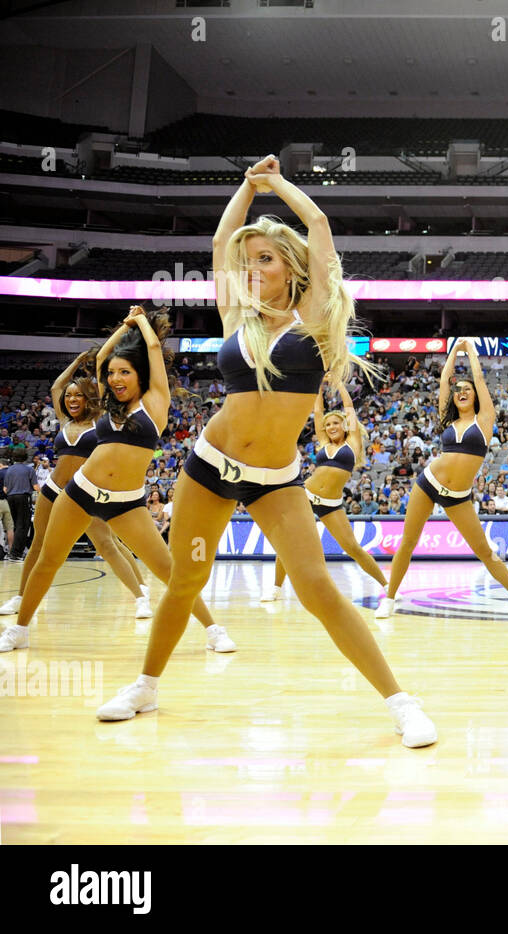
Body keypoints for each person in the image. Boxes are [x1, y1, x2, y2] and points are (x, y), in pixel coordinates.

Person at [95, 158, 436, 747]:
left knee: (316, 589)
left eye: (265, 260)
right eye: (248, 262)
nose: (251, 269)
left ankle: (402, 703)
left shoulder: (315, 320)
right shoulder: (236, 316)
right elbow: (221, 239)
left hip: (275, 478)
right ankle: (145, 686)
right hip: (207, 468)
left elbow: (321, 224)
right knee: (185, 581)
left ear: (291, 269)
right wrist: (243, 188)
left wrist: (274, 186)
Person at [0, 307, 231, 654]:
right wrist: (122, 329)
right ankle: (19, 630)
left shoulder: (155, 402)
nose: (115, 378)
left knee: (169, 570)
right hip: (81, 491)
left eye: (124, 372)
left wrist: (138, 322)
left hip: (126, 502)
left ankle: (213, 630)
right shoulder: (109, 405)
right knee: (48, 559)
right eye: (111, 374)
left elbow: (153, 351)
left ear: (139, 375)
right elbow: (102, 358)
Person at [380, 338, 508, 619]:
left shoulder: (485, 420)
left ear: (475, 395)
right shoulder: (448, 422)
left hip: (458, 496)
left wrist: (472, 353)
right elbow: (445, 380)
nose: (461, 392)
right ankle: (390, 598)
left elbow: (478, 378)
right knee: (407, 542)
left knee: (485, 552)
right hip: (428, 483)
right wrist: (454, 351)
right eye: (458, 391)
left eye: (467, 390)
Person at [1, 352, 152, 619]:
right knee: (38, 544)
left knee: (106, 545)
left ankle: (141, 596)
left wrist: (98, 366)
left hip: (83, 493)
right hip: (52, 490)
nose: (71, 399)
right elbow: (57, 386)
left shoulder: (100, 422)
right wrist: (76, 362)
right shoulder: (64, 420)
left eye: (77, 395)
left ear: (88, 399)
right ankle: (20, 597)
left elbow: (106, 391)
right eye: (69, 396)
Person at [264, 379, 387, 601]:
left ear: (344, 426)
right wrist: (319, 386)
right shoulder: (323, 442)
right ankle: (276, 588)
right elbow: (318, 411)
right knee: (288, 541)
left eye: (335, 424)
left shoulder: (353, 443)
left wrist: (339, 384)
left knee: (352, 547)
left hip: (331, 503)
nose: (330, 427)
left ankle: (387, 586)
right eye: (328, 425)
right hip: (306, 494)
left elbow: (349, 410)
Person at [2, 445, 36, 560]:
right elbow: (36, 487)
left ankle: (12, 551)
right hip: (23, 497)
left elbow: (5, 489)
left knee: (15, 525)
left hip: (10, 498)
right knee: (23, 526)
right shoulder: (29, 470)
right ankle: (16, 554)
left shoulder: (9, 470)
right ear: (25, 457)